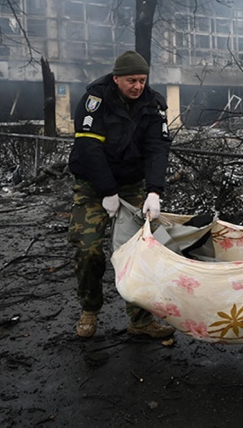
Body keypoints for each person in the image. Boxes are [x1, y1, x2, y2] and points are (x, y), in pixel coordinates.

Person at [67, 50, 175, 339]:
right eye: (131, 80)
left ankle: (140, 321)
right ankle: (90, 309)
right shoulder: (95, 101)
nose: (137, 86)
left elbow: (157, 148)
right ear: (116, 79)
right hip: (93, 186)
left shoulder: (153, 104)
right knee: (88, 250)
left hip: (131, 185)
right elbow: (89, 149)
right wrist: (107, 191)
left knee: (140, 252)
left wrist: (154, 191)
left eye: (142, 80)